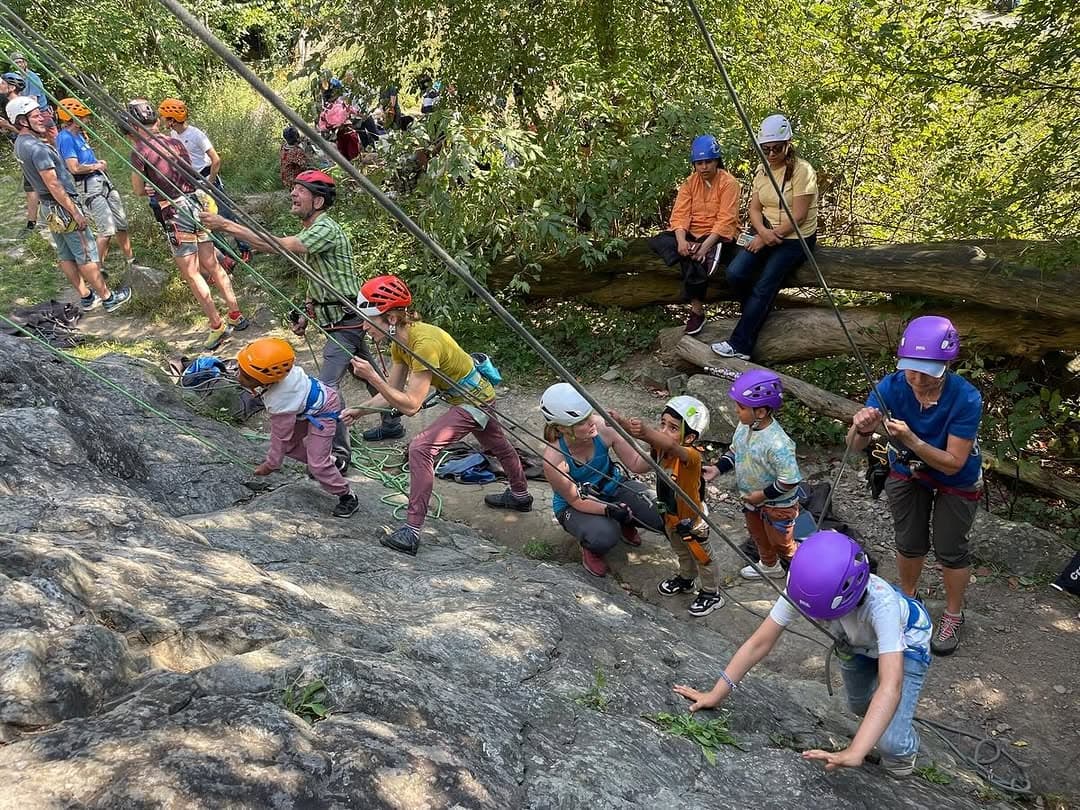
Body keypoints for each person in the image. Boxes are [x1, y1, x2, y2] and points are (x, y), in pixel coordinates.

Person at [675, 530, 933, 778]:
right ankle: (881, 724)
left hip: (908, 642)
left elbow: (891, 685)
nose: (817, 619)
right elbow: (760, 642)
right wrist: (717, 693)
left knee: (891, 743)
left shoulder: (882, 605)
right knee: (858, 705)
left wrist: (856, 751)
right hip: (854, 641)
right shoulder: (804, 586)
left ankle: (904, 747)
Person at [201, 169, 403, 465]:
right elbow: (318, 275)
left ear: (318, 202)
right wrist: (307, 312)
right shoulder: (314, 231)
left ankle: (339, 453)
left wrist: (226, 225)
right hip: (339, 317)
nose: (293, 194)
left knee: (326, 388)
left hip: (344, 321)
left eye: (300, 191)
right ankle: (391, 421)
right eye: (293, 189)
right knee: (365, 369)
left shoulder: (325, 228)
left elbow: (278, 246)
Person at [341, 275, 532, 555]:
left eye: (370, 319)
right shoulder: (401, 343)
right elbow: (392, 390)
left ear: (392, 318)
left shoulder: (423, 343)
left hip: (473, 401)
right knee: (498, 445)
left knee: (420, 448)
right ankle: (520, 495)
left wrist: (372, 376)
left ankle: (411, 531)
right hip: (474, 397)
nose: (364, 327)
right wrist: (360, 411)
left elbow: (411, 405)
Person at [846, 315, 983, 656]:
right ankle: (908, 602)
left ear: (946, 365)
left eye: (927, 371)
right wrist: (862, 427)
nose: (917, 379)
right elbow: (853, 446)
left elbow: (954, 462)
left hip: (956, 476)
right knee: (909, 542)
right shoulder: (891, 387)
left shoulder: (965, 398)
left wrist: (913, 439)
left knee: (951, 549)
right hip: (908, 471)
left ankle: (953, 613)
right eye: (911, 369)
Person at [122, 103, 247, 350]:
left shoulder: (140, 150)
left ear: (134, 127)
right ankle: (236, 313)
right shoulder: (175, 142)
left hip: (174, 211)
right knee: (212, 263)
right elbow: (188, 173)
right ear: (156, 121)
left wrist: (152, 186)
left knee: (192, 273)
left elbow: (138, 189)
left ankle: (216, 325)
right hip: (195, 204)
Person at [7, 96, 131, 313]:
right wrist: (75, 212)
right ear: (22, 120)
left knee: (65, 253)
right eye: (35, 116)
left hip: (49, 208)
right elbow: (54, 184)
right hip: (62, 207)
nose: (42, 119)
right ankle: (108, 298)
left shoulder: (20, 144)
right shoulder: (37, 149)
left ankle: (86, 296)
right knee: (85, 252)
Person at [712, 114, 818, 360]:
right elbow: (754, 208)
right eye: (766, 149)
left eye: (776, 148)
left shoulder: (803, 171)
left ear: (788, 144)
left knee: (765, 284)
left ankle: (741, 345)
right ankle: (757, 311)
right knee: (736, 273)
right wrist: (761, 233)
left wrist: (770, 236)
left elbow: (799, 216)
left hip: (796, 238)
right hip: (766, 230)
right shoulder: (762, 170)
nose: (771, 154)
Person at [613, 396, 724, 616]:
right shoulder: (661, 451)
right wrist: (622, 423)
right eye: (662, 424)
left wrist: (646, 432)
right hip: (671, 516)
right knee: (682, 551)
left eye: (673, 427)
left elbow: (672, 444)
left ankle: (712, 593)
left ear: (690, 437)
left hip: (692, 520)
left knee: (702, 556)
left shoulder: (690, 457)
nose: (664, 431)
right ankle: (686, 578)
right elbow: (654, 450)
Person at [540, 383, 665, 577]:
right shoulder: (554, 459)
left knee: (662, 512)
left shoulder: (602, 427)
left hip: (613, 486)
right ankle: (591, 547)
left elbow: (636, 464)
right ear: (561, 429)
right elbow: (575, 499)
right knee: (603, 536)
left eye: (589, 414)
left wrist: (660, 447)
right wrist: (608, 510)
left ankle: (626, 521)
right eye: (581, 422)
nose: (591, 422)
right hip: (573, 506)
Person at [237, 337, 360, 518]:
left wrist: (271, 464)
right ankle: (333, 462)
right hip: (305, 407)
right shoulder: (282, 371)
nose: (238, 378)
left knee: (317, 465)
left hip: (323, 410)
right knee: (301, 452)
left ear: (264, 378)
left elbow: (280, 437)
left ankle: (347, 496)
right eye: (240, 370)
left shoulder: (280, 400)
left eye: (245, 376)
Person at [712, 369, 802, 579]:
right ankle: (770, 566)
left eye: (741, 407)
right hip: (752, 499)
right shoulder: (744, 427)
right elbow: (735, 451)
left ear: (760, 412)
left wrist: (761, 496)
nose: (736, 411)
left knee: (782, 542)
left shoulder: (777, 443)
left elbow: (789, 480)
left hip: (778, 505)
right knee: (758, 536)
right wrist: (718, 468)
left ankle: (802, 570)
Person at [649, 134, 740, 335]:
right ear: (694, 164)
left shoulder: (729, 183)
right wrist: (681, 241)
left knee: (696, 258)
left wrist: (706, 245)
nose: (704, 167)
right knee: (660, 241)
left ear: (716, 161)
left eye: (708, 161)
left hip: (717, 236)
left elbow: (726, 219)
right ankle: (690, 254)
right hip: (691, 234)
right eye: (699, 163)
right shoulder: (689, 183)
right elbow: (680, 214)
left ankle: (697, 310)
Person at [157, 98, 251, 262]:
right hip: (191, 182)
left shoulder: (196, 134)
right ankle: (227, 255)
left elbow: (216, 159)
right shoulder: (173, 134)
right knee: (206, 222)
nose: (162, 120)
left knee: (225, 215)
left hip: (206, 178)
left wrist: (210, 182)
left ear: (172, 120)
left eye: (164, 117)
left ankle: (244, 248)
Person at [55, 98, 136, 268]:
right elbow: (74, 168)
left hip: (102, 180)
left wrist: (97, 163)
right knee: (106, 230)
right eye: (83, 116)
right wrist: (96, 166)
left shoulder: (79, 135)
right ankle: (97, 269)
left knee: (121, 223)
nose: (87, 119)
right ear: (73, 118)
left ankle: (131, 261)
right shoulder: (66, 138)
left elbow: (84, 160)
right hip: (89, 185)